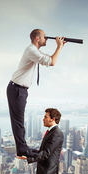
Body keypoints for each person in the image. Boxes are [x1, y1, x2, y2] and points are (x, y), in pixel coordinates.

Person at [7, 29, 66, 157]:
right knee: (19, 121)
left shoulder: (34, 51)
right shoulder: (32, 50)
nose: (46, 39)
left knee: (18, 121)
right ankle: (22, 150)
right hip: (17, 89)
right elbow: (52, 62)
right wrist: (59, 46)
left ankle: (22, 148)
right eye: (45, 37)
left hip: (18, 89)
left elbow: (49, 58)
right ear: (37, 38)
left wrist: (59, 47)